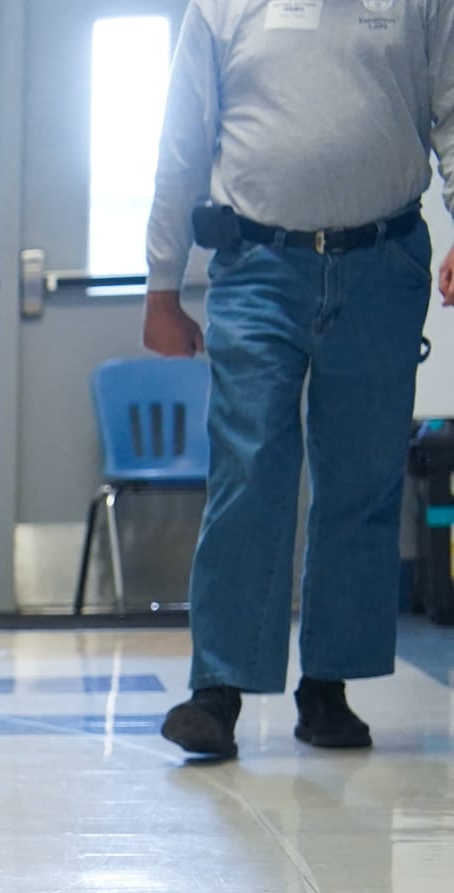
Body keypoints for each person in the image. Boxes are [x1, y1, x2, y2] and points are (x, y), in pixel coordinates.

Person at [143, 0, 454, 759]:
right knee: (249, 471)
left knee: (364, 479)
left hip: (383, 263)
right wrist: (161, 283)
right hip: (256, 265)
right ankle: (217, 688)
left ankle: (329, 686)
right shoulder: (220, 5)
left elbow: (451, 108)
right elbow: (183, 138)